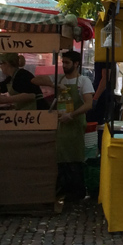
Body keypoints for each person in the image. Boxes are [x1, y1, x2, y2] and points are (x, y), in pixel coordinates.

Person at [32, 50, 93, 201]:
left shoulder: (84, 81)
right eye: (63, 62)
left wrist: (71, 115)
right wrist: (53, 85)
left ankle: (77, 192)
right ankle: (64, 190)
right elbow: (34, 81)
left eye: (67, 62)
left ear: (76, 64)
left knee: (74, 158)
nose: (64, 65)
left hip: (75, 125)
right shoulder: (61, 80)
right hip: (61, 125)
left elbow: (88, 104)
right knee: (61, 157)